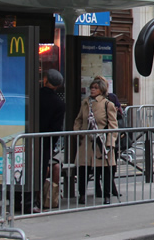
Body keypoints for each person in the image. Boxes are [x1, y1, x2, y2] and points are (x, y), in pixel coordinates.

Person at [73, 77, 119, 205]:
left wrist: (110, 143)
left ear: (101, 90)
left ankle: (106, 195)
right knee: (83, 170)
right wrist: (77, 132)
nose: (92, 90)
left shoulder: (107, 104)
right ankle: (82, 194)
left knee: (105, 171)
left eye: (95, 88)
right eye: (91, 88)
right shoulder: (85, 103)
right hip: (87, 142)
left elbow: (113, 125)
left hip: (102, 142)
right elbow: (79, 119)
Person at [37, 69, 65, 211]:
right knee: (41, 169)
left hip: (29, 139)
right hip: (46, 142)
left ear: (46, 80)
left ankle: (22, 200)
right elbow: (56, 128)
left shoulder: (36, 95)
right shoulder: (59, 103)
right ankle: (37, 199)